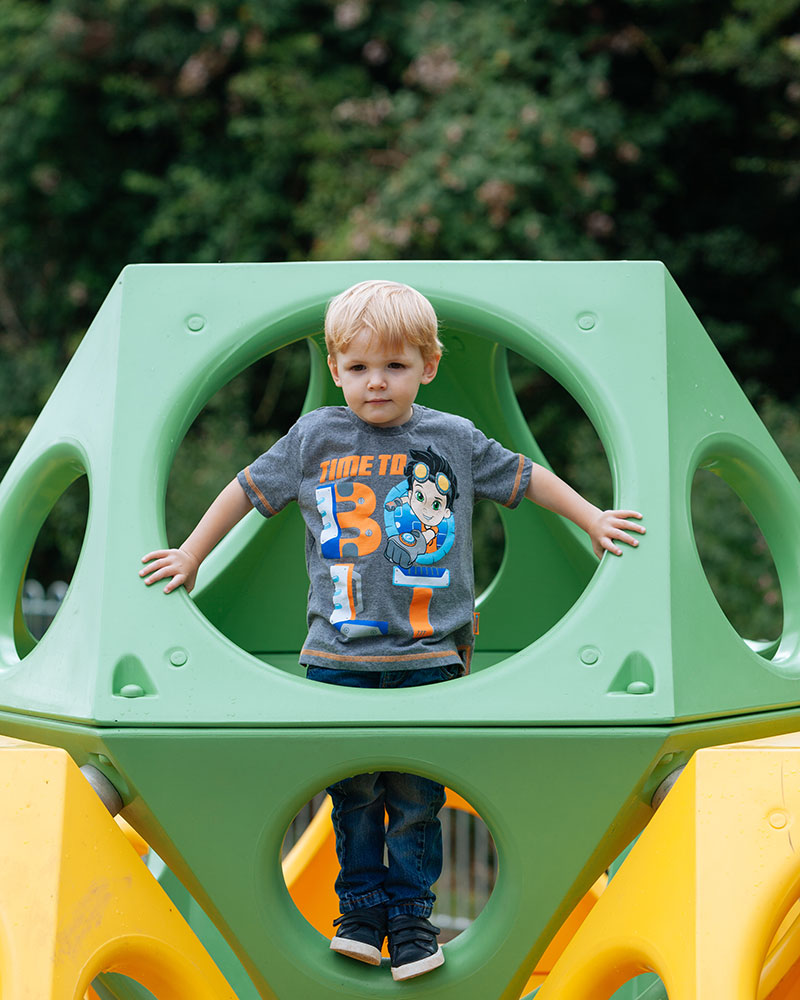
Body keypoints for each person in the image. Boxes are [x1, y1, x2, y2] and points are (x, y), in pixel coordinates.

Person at [140, 279, 645, 981]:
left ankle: (411, 925)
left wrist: (593, 517)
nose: (376, 383)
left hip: (430, 656)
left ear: (428, 366)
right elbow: (246, 491)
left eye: (395, 366)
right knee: (352, 795)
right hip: (338, 656)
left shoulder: (451, 439)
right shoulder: (316, 435)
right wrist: (191, 553)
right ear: (336, 365)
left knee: (414, 801)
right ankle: (359, 915)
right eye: (358, 368)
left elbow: (527, 479)